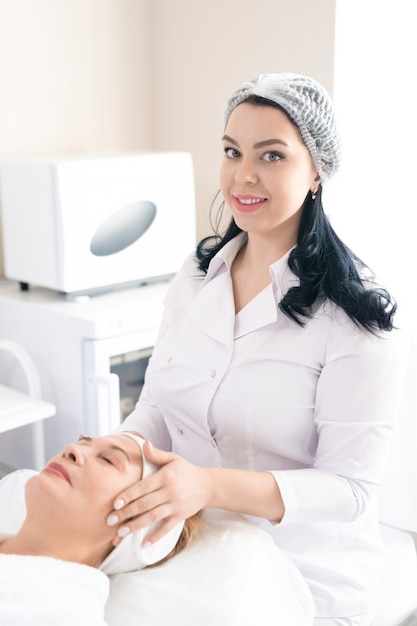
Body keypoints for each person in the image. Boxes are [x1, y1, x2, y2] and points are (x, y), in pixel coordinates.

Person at [107, 73, 409, 625]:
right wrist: (117, 451)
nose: (243, 175)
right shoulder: (197, 276)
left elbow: (351, 489)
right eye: (232, 151)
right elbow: (156, 408)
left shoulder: (354, 316)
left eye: (272, 155)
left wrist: (208, 485)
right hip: (193, 543)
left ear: (316, 171)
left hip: (304, 570)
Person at [0, 432, 198, 626]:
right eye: (83, 443)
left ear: (127, 531)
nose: (72, 449)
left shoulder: (64, 615)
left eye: (108, 460)